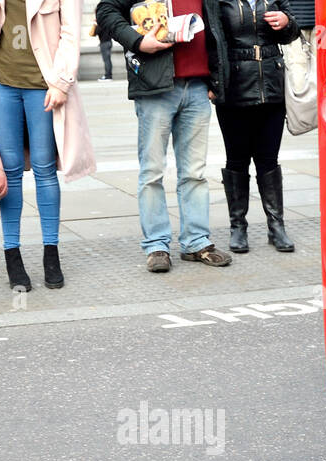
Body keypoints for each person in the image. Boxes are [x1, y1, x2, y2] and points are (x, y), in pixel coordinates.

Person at [96, 0, 231, 272]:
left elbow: (219, 26)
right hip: (155, 87)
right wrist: (136, 41)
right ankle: (157, 245)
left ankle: (196, 242)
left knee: (195, 172)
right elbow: (106, 10)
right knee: (152, 172)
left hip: (197, 86)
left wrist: (217, 79)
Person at [0, 0, 95, 291]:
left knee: (44, 168)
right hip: (0, 82)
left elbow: (70, 31)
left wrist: (62, 81)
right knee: (9, 171)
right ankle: (12, 255)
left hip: (44, 84)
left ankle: (51, 254)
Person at [213, 0, 299, 253]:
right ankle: (238, 227)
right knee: (237, 160)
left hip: (272, 85)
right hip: (234, 87)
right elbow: (213, 40)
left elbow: (291, 33)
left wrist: (286, 22)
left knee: (268, 159)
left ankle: (276, 226)